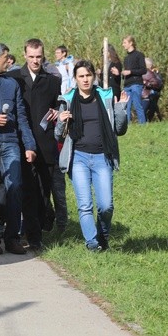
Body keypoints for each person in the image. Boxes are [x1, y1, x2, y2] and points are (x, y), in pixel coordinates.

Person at [55, 60, 129, 251]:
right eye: (81, 76)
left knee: (106, 206)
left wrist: (120, 108)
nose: (85, 80)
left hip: (102, 157)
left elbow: (120, 130)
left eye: (88, 75)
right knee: (85, 205)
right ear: (75, 79)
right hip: (78, 157)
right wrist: (61, 122)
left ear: (93, 76)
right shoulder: (68, 100)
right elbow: (58, 135)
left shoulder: (105, 97)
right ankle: (92, 243)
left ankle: (103, 235)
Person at [0, 43, 36, 255]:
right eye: (6, 57)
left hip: (11, 142)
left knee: (15, 188)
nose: (9, 61)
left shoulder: (12, 83)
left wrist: (29, 145)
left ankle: (12, 238)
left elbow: (21, 117)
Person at [6, 38, 62, 250]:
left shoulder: (52, 82)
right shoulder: (13, 79)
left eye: (39, 57)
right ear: (24, 55)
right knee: (26, 190)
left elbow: (59, 104)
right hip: (21, 143)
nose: (35, 61)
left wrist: (58, 111)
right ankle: (32, 236)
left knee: (43, 192)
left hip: (46, 144)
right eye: (31, 57)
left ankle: (39, 228)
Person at [121, 35, 147, 124]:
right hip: (127, 84)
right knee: (126, 106)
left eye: (124, 42)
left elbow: (143, 70)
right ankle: (127, 126)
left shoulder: (139, 55)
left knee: (137, 105)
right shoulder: (126, 58)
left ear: (131, 43)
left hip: (136, 83)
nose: (123, 45)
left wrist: (130, 72)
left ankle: (142, 124)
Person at [141, 57, 163, 122]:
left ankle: (146, 123)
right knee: (152, 110)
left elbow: (158, 84)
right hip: (151, 94)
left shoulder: (151, 73)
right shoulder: (152, 72)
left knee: (147, 111)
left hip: (151, 94)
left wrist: (146, 83)